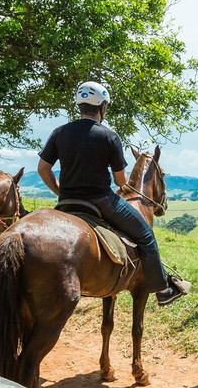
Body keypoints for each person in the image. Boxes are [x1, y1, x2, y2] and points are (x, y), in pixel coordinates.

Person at [36, 80, 189, 306]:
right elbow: (121, 181)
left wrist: (60, 191)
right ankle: (163, 289)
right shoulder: (109, 136)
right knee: (146, 235)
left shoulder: (60, 132)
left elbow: (42, 168)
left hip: (67, 202)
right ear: (102, 107)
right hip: (101, 201)